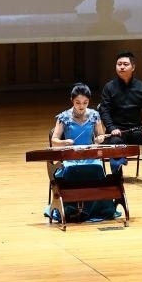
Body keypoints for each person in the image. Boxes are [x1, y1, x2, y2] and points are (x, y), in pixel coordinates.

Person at [46, 83, 119, 223]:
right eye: (77, 102)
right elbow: (54, 140)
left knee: (96, 168)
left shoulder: (94, 116)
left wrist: (99, 139)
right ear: (72, 101)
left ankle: (97, 210)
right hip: (71, 157)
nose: (81, 106)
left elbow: (100, 137)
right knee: (72, 170)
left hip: (89, 156)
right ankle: (70, 210)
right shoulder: (64, 117)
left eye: (85, 103)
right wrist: (65, 142)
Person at [99, 50, 142, 192]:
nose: (122, 67)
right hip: (117, 132)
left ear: (133, 67)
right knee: (115, 142)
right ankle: (117, 177)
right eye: (119, 64)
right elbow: (104, 111)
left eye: (125, 64)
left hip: (136, 130)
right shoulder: (109, 87)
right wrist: (111, 128)